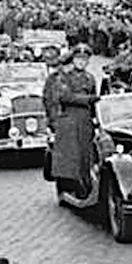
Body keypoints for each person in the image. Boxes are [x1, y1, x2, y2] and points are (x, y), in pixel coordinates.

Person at [49, 45, 99, 197]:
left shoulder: (90, 78)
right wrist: (87, 99)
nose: (81, 62)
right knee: (70, 155)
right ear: (73, 60)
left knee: (86, 154)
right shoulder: (64, 77)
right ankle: (67, 186)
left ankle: (85, 186)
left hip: (85, 120)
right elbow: (64, 97)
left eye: (84, 60)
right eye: (78, 59)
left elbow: (95, 100)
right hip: (69, 119)